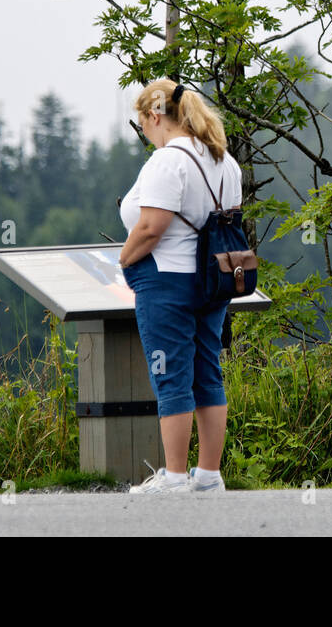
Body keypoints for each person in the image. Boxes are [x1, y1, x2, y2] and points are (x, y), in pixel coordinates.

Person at [117, 79, 243, 495]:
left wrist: (123, 257)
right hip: (212, 278)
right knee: (207, 371)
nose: (145, 133)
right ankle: (208, 475)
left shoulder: (168, 162)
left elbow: (152, 227)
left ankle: (173, 477)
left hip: (166, 278)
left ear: (155, 116)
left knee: (169, 371)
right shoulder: (225, 161)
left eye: (143, 123)